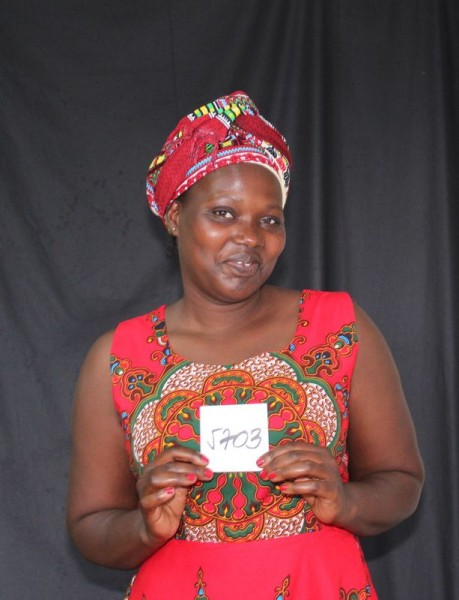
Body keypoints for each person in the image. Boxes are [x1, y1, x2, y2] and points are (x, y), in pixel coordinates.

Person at [67, 91, 424, 599]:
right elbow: (89, 525)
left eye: (269, 219)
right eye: (223, 214)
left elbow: (402, 480)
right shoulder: (119, 356)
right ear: (175, 218)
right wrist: (144, 528)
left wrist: (345, 502)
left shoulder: (340, 328)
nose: (251, 237)